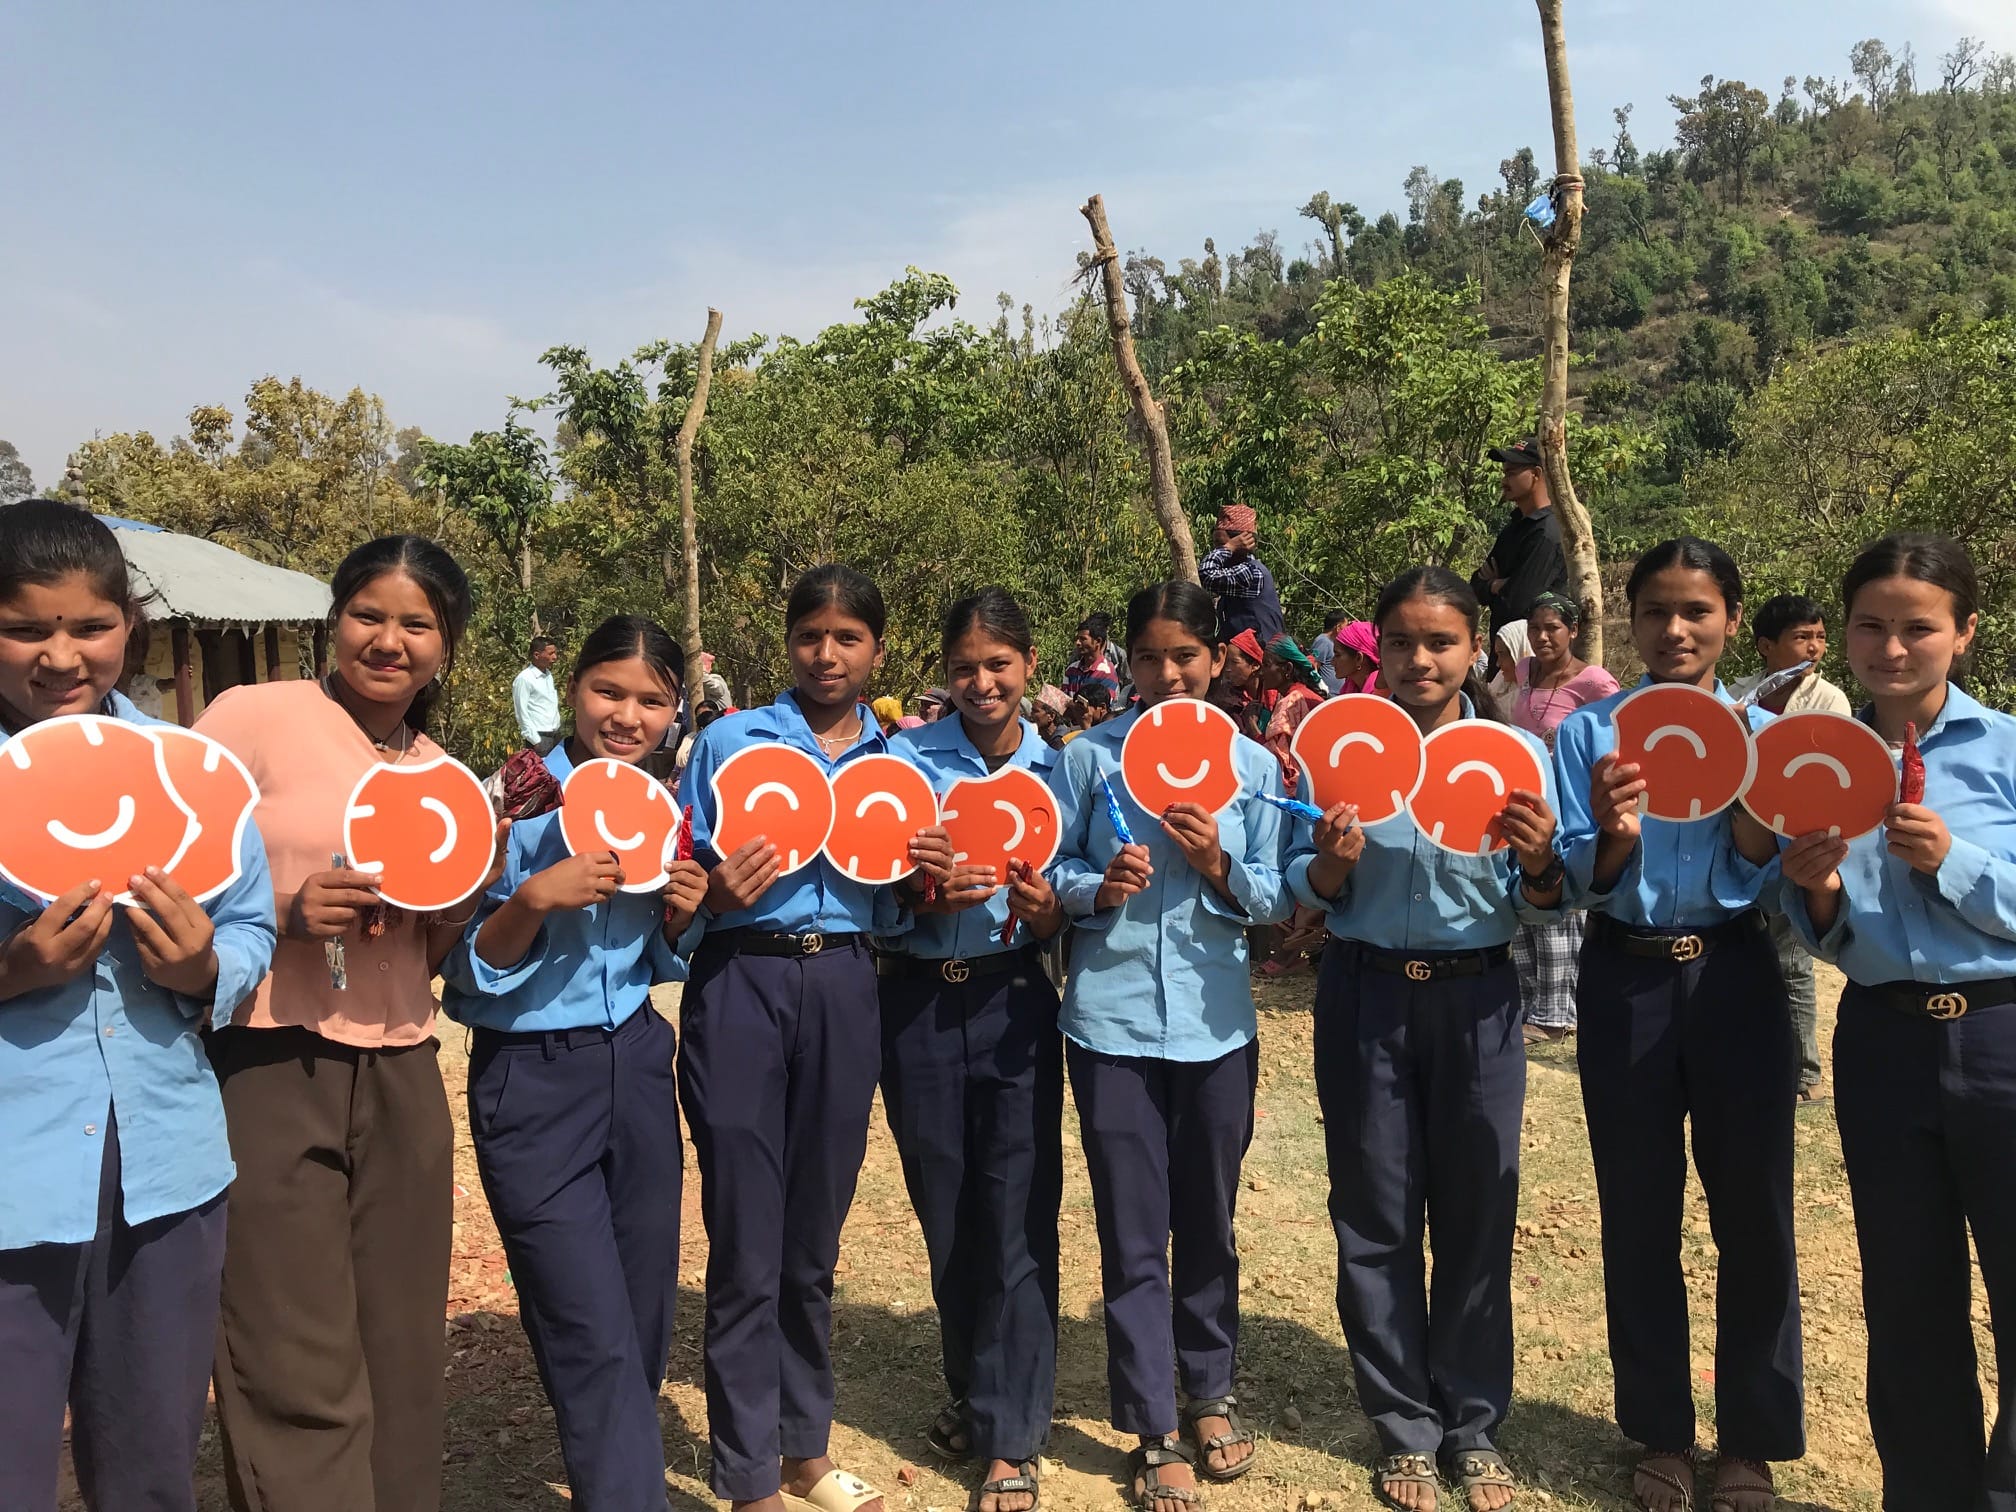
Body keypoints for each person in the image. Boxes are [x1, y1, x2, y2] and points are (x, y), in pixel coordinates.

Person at [195, 535, 488, 1512]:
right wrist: (283, 913)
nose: (388, 640)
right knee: (290, 1348)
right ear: (335, 618)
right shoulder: (251, 718)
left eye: (417, 624)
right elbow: (171, 869)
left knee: (400, 1345)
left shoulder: (448, 779)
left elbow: (434, 956)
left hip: (403, 1069)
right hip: (271, 1059)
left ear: (446, 646)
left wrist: (448, 914)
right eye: (370, 614)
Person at [0, 502, 277, 1512]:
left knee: (152, 1466)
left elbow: (252, 927)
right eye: (26, 628)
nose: (61, 655)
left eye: (89, 626)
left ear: (131, 626)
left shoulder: (189, 775)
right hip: (11, 1176)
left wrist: (205, 969)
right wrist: (13, 970)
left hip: (165, 1169)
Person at [676, 565, 953, 1512]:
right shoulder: (728, 742)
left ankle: (805, 1452)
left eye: (848, 639)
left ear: (878, 648)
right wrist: (714, 893)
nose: (827, 655)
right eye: (810, 636)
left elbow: (906, 912)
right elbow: (679, 882)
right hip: (743, 982)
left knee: (813, 1240)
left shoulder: (902, 763)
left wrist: (923, 885)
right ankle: (748, 1474)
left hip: (846, 984)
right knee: (746, 1231)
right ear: (788, 641)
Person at [1289, 566, 1562, 1512]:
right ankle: (1404, 1422)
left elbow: (1545, 902)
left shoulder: (1518, 755)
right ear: (1378, 650)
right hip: (1364, 998)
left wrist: (1537, 865)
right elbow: (1298, 881)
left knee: (1479, 1212)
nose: (1419, 659)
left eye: (1440, 642)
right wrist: (1325, 864)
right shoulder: (1337, 747)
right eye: (1400, 642)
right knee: (1374, 1211)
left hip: (1479, 1001)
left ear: (1474, 651)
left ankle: (1474, 1422)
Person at [1554, 538, 1801, 1512]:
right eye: (1656, 611)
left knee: (1756, 1216)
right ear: (1631, 620)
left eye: (1697, 610)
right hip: (1625, 979)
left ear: (1732, 619)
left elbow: (1765, 871)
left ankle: (1751, 1440)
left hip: (1737, 975)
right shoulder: (1592, 733)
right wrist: (1614, 830)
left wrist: (1749, 780)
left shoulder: (1762, 729)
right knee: (1639, 1211)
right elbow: (1576, 877)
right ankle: (1660, 1431)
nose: (1676, 630)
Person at [442, 616, 710, 1510]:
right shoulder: (512, 801)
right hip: (532, 1076)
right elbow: (464, 972)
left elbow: (658, 958)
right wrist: (530, 900)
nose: (626, 715)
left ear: (675, 711)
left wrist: (680, 912)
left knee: (642, 1309)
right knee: (584, 1320)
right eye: (608, 690)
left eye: (652, 700)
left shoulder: (661, 810)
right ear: (572, 692)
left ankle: (615, 1467)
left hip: (634, 1063)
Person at [1779, 534, 2016, 1512]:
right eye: (1872, 626)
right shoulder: (1820, 761)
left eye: (1919, 627)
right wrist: (1818, 890)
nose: (1893, 647)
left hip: (2004, 1037)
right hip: (1882, 1040)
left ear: (1962, 633)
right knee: (1909, 1305)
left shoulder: (2005, 749)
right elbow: (1824, 930)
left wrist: (1952, 860)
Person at [1052, 580, 1292, 1512]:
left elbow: (1277, 893)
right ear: (1127, 662)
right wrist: (1097, 888)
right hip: (1108, 1027)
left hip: (1216, 1026)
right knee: (1131, 1224)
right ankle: (1153, 1422)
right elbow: (1054, 870)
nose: (1166, 674)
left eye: (1184, 656)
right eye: (1148, 657)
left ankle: (1211, 1391)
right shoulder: (1089, 761)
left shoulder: (1253, 767)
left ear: (1218, 657)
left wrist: (1218, 865)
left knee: (1211, 1219)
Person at [882, 589, 1070, 1512]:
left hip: (1015, 1002)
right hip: (916, 1007)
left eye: (999, 664)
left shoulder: (1062, 770)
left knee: (1017, 1210)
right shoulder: (903, 762)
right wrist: (916, 897)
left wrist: (1052, 910)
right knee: (947, 1208)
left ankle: (1010, 1435)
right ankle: (974, 1385)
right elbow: (874, 884)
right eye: (964, 667)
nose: (982, 682)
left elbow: (1081, 884)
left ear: (1029, 665)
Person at [1731, 594, 1853, 1104]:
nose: (1816, 647)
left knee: (1792, 960)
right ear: (1766, 646)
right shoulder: (1738, 696)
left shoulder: (1829, 702)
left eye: (1821, 636)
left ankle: (1805, 1070)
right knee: (1747, 958)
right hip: (1742, 846)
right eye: (1803, 637)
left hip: (1796, 847)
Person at [1508, 594, 1619, 1044]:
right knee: (1520, 895)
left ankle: (1556, 1011)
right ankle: (1528, 999)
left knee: (1559, 901)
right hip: (1521, 795)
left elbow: (1610, 736)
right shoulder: (1522, 671)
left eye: (1553, 627)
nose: (1542, 636)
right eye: (1535, 628)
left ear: (1573, 630)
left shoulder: (1594, 681)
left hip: (1566, 801)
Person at [1470, 440, 1569, 643]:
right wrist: (1496, 586)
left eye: (1512, 473)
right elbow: (1475, 586)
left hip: (1532, 658)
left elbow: (1518, 605)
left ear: (1536, 474)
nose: (1504, 481)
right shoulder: (1513, 529)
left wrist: (1496, 588)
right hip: (1504, 655)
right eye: (1505, 473)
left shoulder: (1547, 533)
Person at [1198, 503, 1285, 646]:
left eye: (1220, 543)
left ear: (1242, 541)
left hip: (1261, 661)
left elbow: (1206, 574)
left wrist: (1229, 547)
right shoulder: (1238, 571)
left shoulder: (1250, 573)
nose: (1216, 550)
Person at [1253, 634, 1325, 792]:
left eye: (1266, 665)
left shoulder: (1290, 704)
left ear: (1287, 669)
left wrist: (1252, 728)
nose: (1261, 672)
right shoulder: (1310, 696)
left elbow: (1275, 763)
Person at [514, 634, 563, 754]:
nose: (555, 657)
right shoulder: (525, 679)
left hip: (555, 735)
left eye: (555, 653)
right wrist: (535, 741)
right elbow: (521, 713)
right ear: (537, 655)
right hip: (539, 738)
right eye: (550, 653)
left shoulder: (548, 676)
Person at [1064, 615, 1122, 705]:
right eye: (1077, 639)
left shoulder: (1107, 672)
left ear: (1098, 641)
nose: (1078, 643)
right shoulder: (1071, 669)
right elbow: (1063, 701)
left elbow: (1102, 708)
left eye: (1083, 639)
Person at [1332, 621, 1385, 697]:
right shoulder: (1350, 689)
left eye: (1337, 655)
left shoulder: (1381, 696)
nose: (1332, 662)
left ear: (1358, 659)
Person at [1310, 609, 1350, 695]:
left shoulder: (1333, 643)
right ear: (1338, 627)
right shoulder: (1323, 641)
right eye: (1345, 626)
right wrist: (1321, 688)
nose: (1347, 630)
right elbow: (1314, 666)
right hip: (1327, 695)